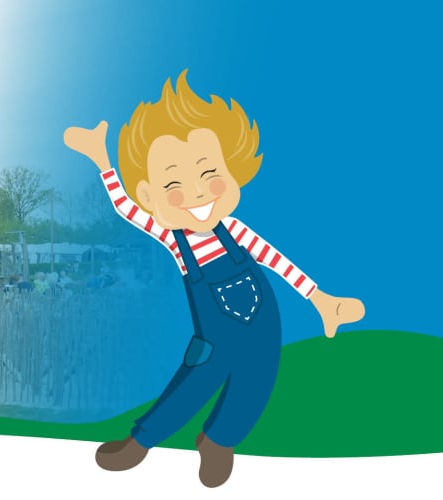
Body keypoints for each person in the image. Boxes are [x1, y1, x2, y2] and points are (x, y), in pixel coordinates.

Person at [65, 70, 365, 488]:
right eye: (174, 183)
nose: (199, 193)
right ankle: (140, 442)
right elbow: (125, 209)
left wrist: (318, 297)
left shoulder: (235, 230)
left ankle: (218, 441)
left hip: (264, 326)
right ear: (150, 195)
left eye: (210, 175)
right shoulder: (173, 237)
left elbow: (274, 259)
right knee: (193, 383)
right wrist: (102, 161)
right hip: (216, 336)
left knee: (257, 384)